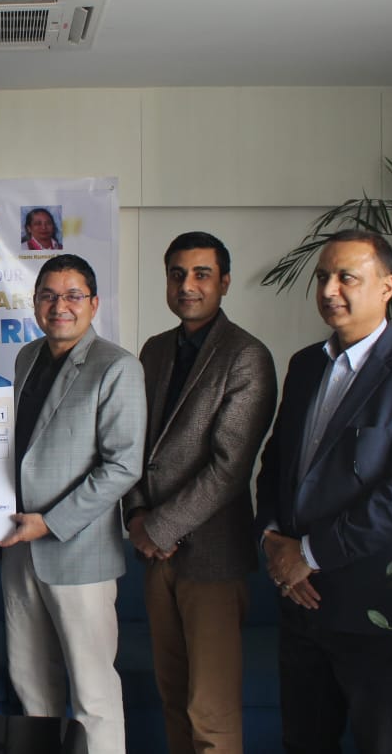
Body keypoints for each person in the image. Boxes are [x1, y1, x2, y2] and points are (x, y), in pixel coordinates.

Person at [255, 229, 392, 754]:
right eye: (323, 276)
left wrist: (308, 555)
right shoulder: (305, 366)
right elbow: (276, 464)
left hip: (373, 610)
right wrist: (274, 542)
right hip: (299, 603)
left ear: (387, 286)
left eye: (346, 277)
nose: (329, 290)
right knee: (303, 743)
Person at [0, 254, 142, 753]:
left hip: (77, 553)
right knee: (32, 684)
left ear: (94, 303)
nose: (60, 306)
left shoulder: (117, 366)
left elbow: (123, 466)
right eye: (49, 296)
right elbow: (20, 437)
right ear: (35, 304)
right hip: (17, 547)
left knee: (93, 694)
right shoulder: (27, 356)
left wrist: (50, 523)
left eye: (73, 295)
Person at [123, 232, 277, 754]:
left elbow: (229, 468)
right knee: (172, 697)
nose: (187, 285)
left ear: (224, 282)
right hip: (154, 554)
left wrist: (159, 528)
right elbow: (134, 442)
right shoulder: (155, 351)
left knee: (209, 713)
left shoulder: (247, 356)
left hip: (211, 558)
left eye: (201, 274)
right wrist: (136, 515)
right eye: (177, 274)